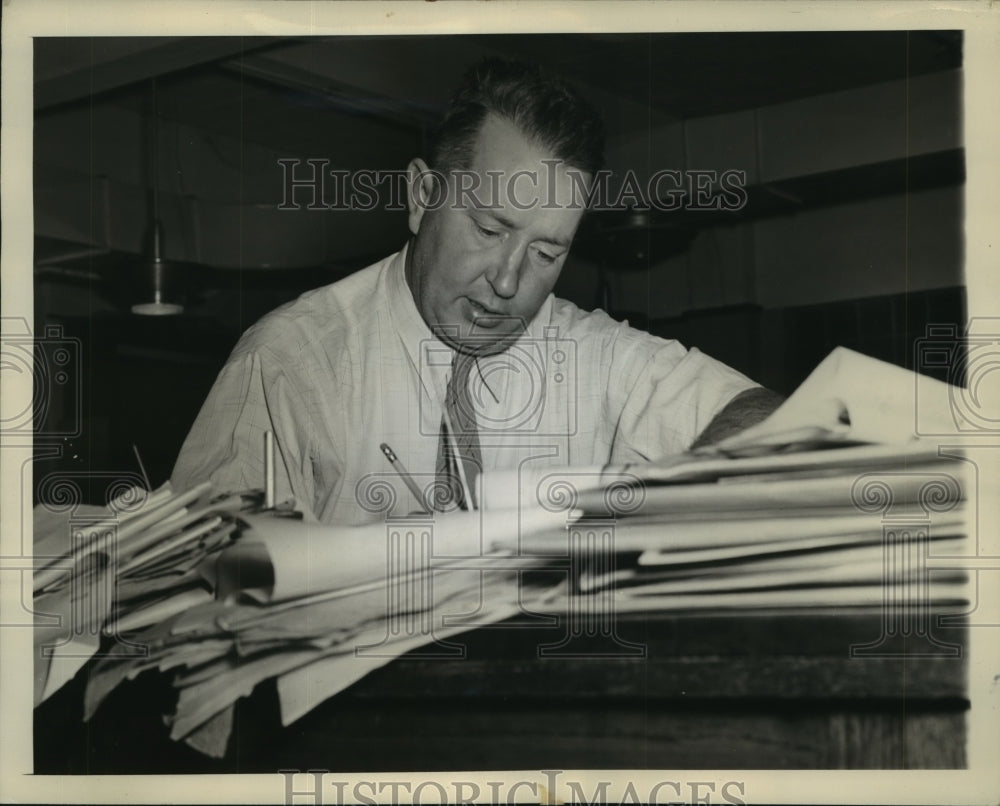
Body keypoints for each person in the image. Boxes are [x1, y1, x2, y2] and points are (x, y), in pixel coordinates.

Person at [171, 58, 782, 525]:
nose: (511, 282)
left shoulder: (592, 353)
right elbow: (206, 587)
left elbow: (772, 424)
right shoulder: (289, 362)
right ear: (420, 198)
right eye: (489, 229)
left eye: (548, 253)